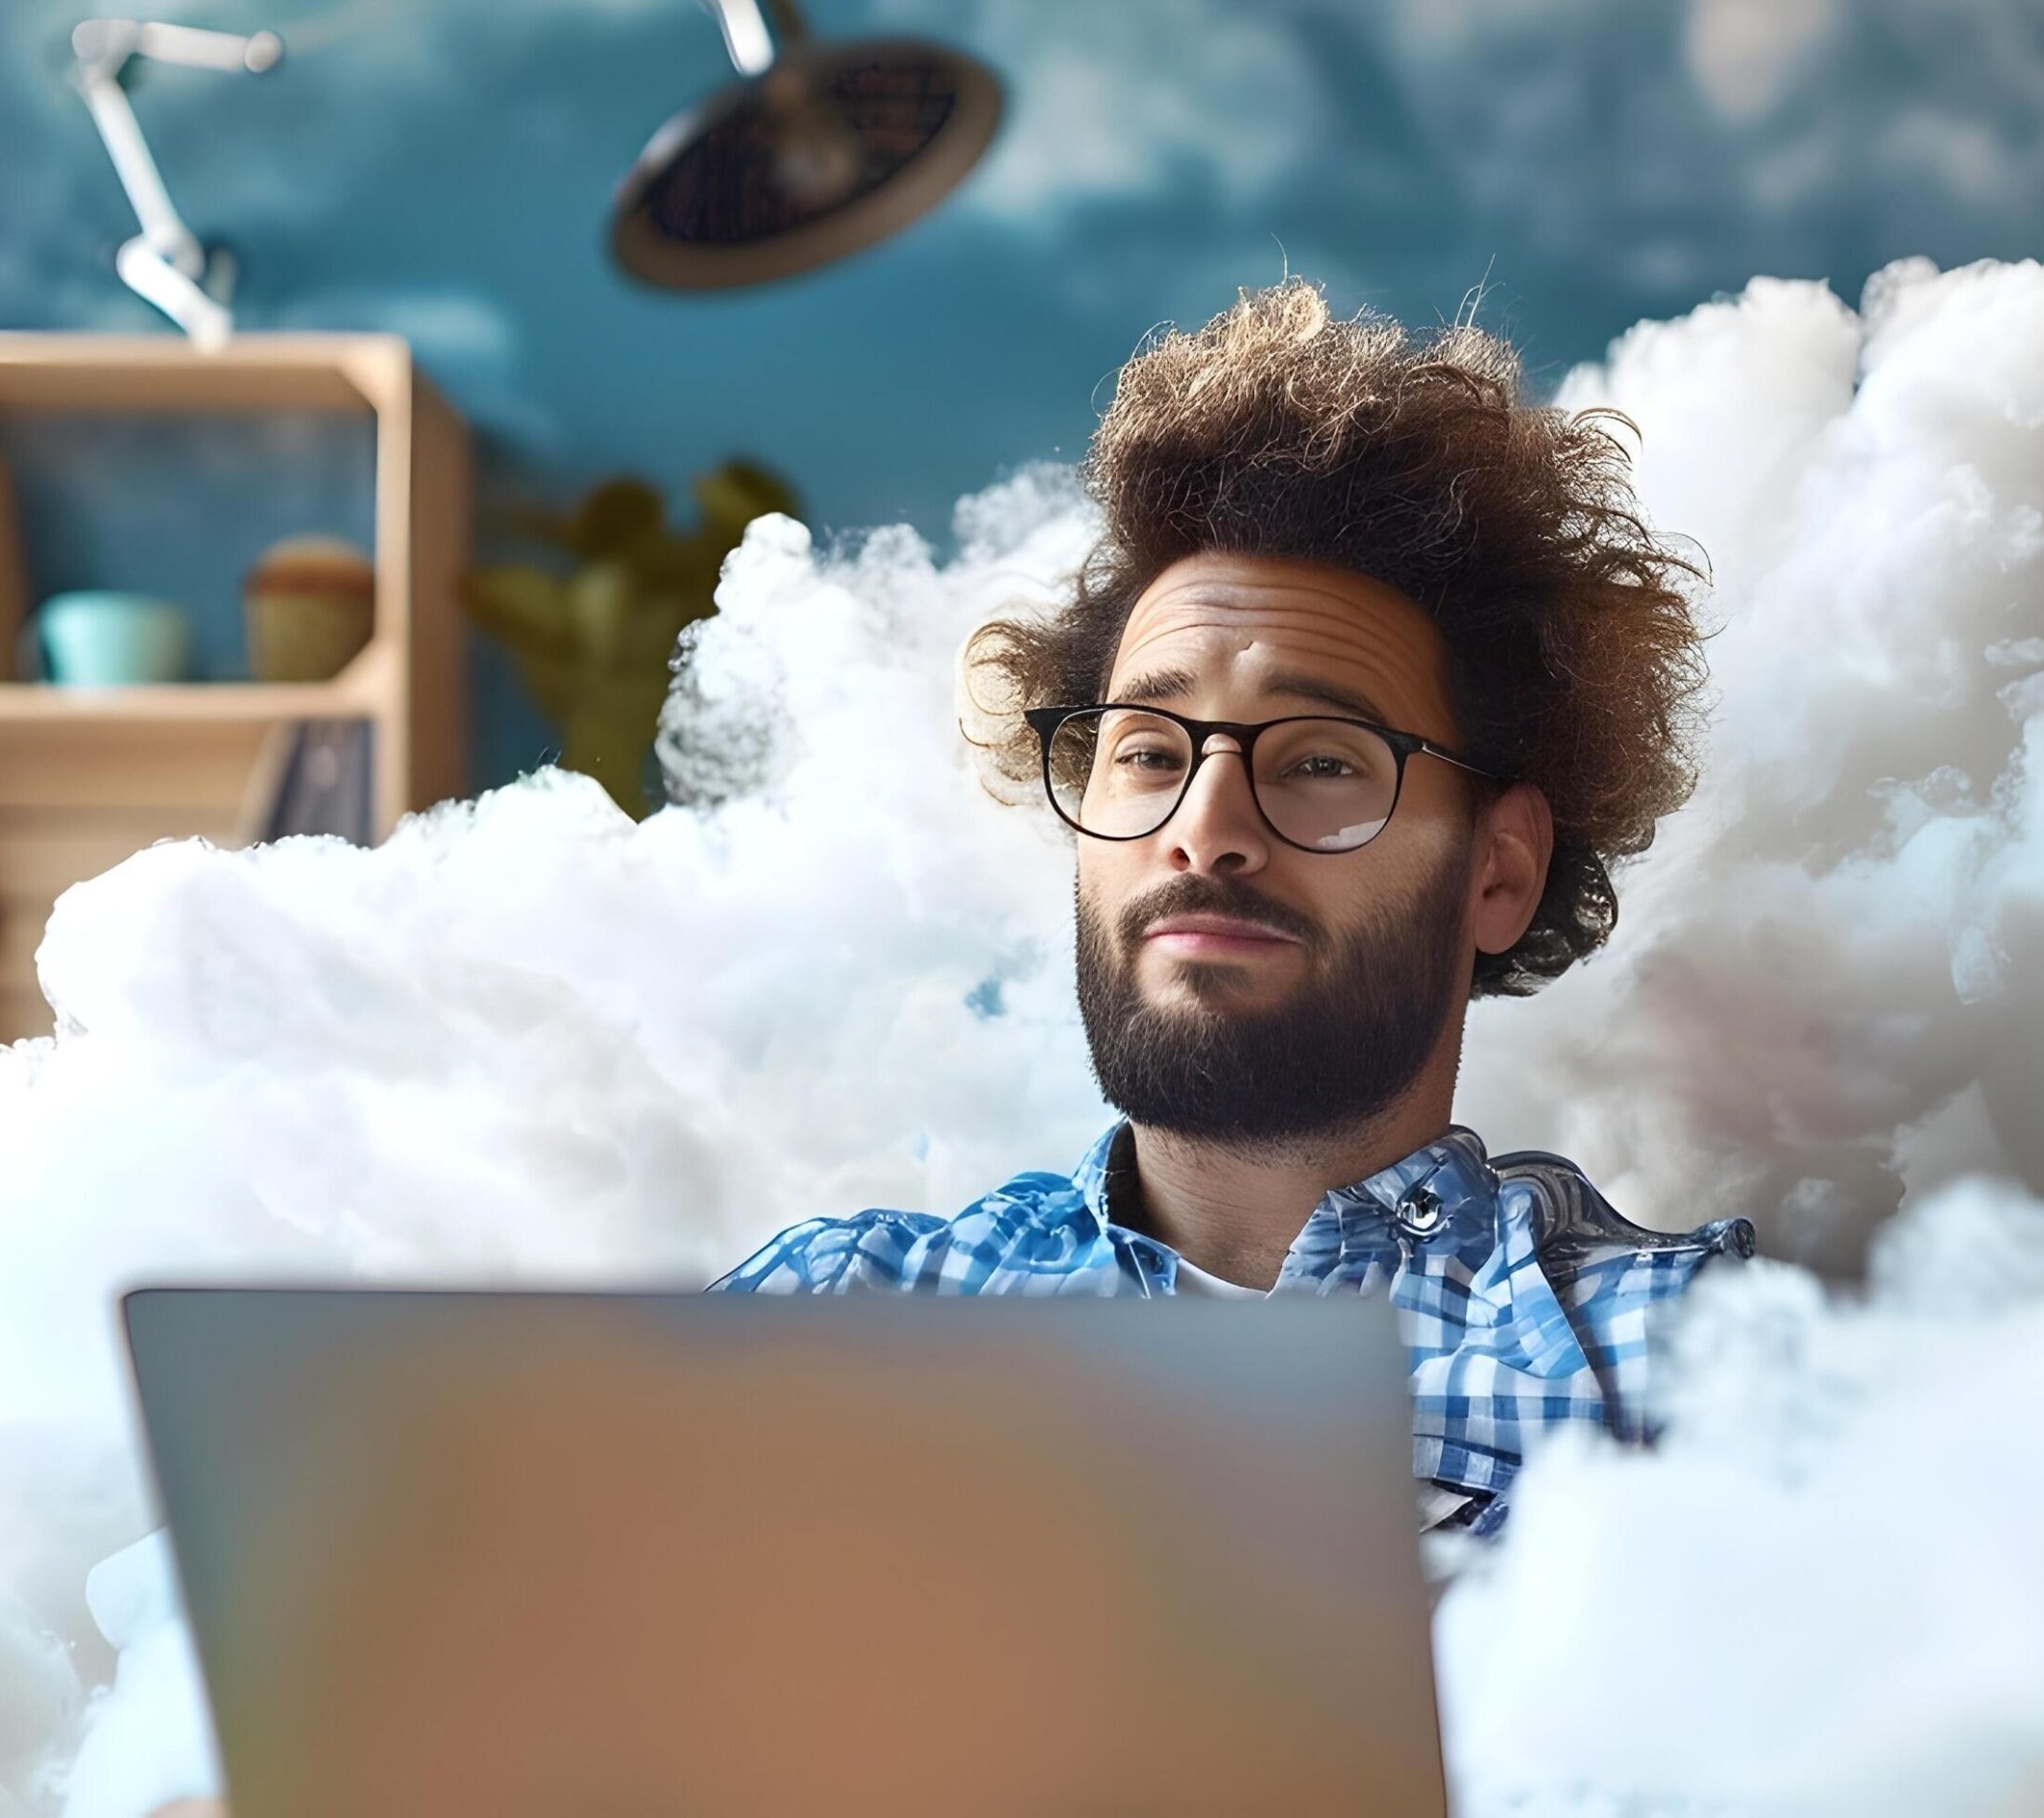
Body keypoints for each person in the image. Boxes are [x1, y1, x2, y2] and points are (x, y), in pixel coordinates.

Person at [714, 280, 1744, 1539]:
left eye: (1318, 760)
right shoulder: (831, 1318)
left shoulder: (1700, 1366)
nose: (1204, 825)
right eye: (1147, 751)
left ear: (1499, 869)